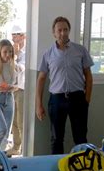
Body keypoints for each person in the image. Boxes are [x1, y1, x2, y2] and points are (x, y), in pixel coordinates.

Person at [36, 16, 94, 154]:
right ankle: (58, 170)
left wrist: (87, 99)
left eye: (65, 29)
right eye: (59, 30)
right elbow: (41, 79)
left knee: (80, 138)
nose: (63, 33)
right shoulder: (48, 54)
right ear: (54, 33)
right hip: (57, 100)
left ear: (69, 31)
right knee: (56, 138)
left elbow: (89, 76)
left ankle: (82, 170)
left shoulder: (80, 50)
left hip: (78, 98)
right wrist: (39, 104)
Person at [9, 25, 26, 155]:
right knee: (13, 121)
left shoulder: (27, 52)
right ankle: (16, 147)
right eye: (12, 35)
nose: (14, 38)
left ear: (23, 36)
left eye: (17, 35)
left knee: (21, 121)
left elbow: (21, 69)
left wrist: (15, 56)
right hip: (12, 90)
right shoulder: (12, 52)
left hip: (22, 90)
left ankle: (24, 149)